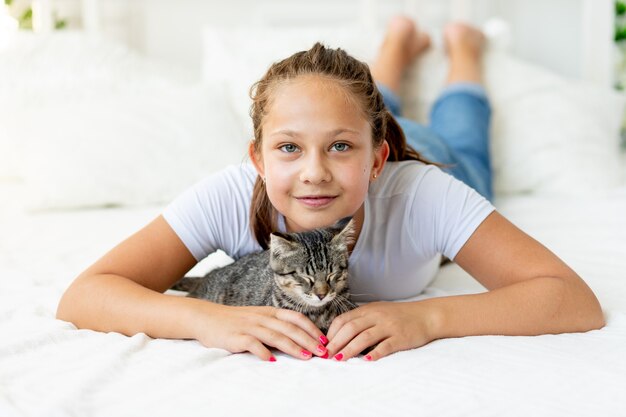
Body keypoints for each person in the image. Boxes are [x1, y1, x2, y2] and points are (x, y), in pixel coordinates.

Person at [56, 16, 605, 362]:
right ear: (258, 159)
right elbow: (85, 294)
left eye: (340, 149)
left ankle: (463, 50)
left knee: (462, 130)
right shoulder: (228, 194)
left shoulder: (426, 193)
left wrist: (428, 317)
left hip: (445, 157)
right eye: (288, 148)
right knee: (352, 106)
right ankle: (398, 43)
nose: (313, 172)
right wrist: (208, 318)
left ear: (377, 159)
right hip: (366, 127)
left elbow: (573, 301)